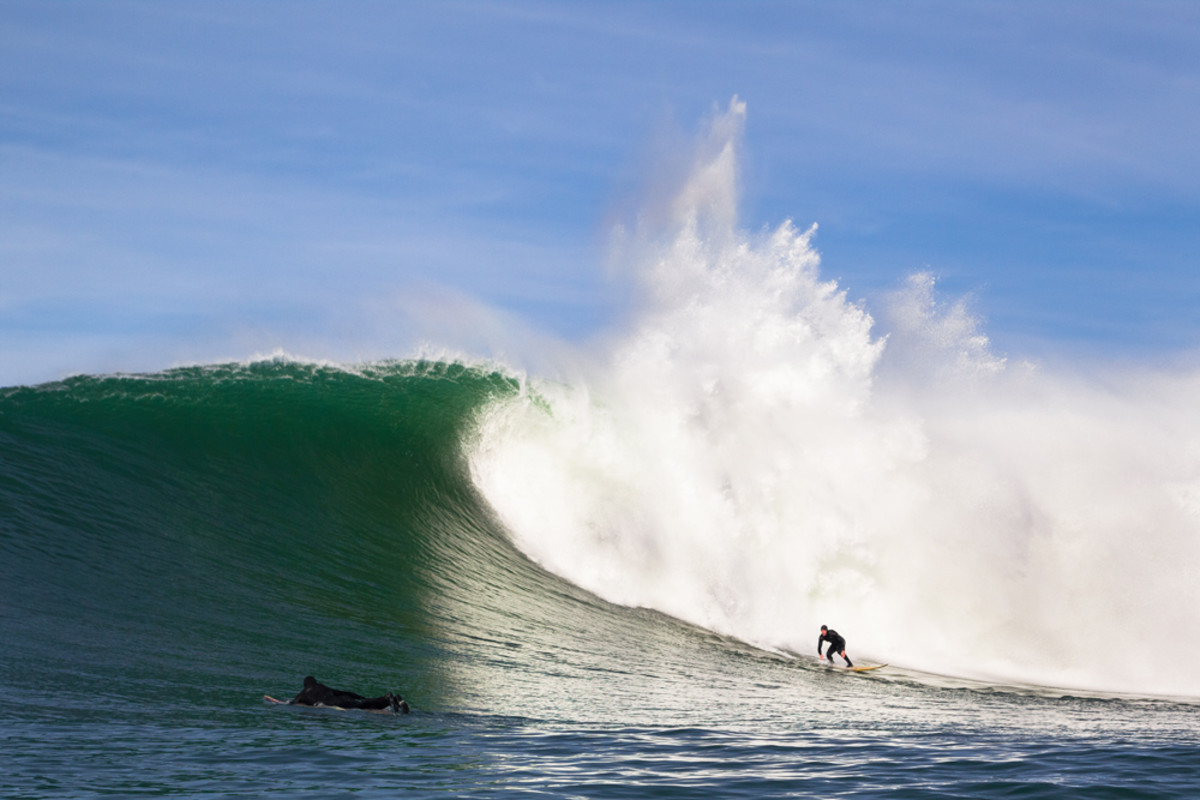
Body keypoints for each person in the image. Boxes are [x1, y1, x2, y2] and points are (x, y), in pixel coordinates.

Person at [290, 675, 409, 713]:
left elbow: (294, 703)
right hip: (342, 698)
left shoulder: (302, 694)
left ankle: (387, 699)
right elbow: (344, 692)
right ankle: (387, 699)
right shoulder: (322, 686)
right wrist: (360, 696)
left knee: (362, 707)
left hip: (331, 703)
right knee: (362, 704)